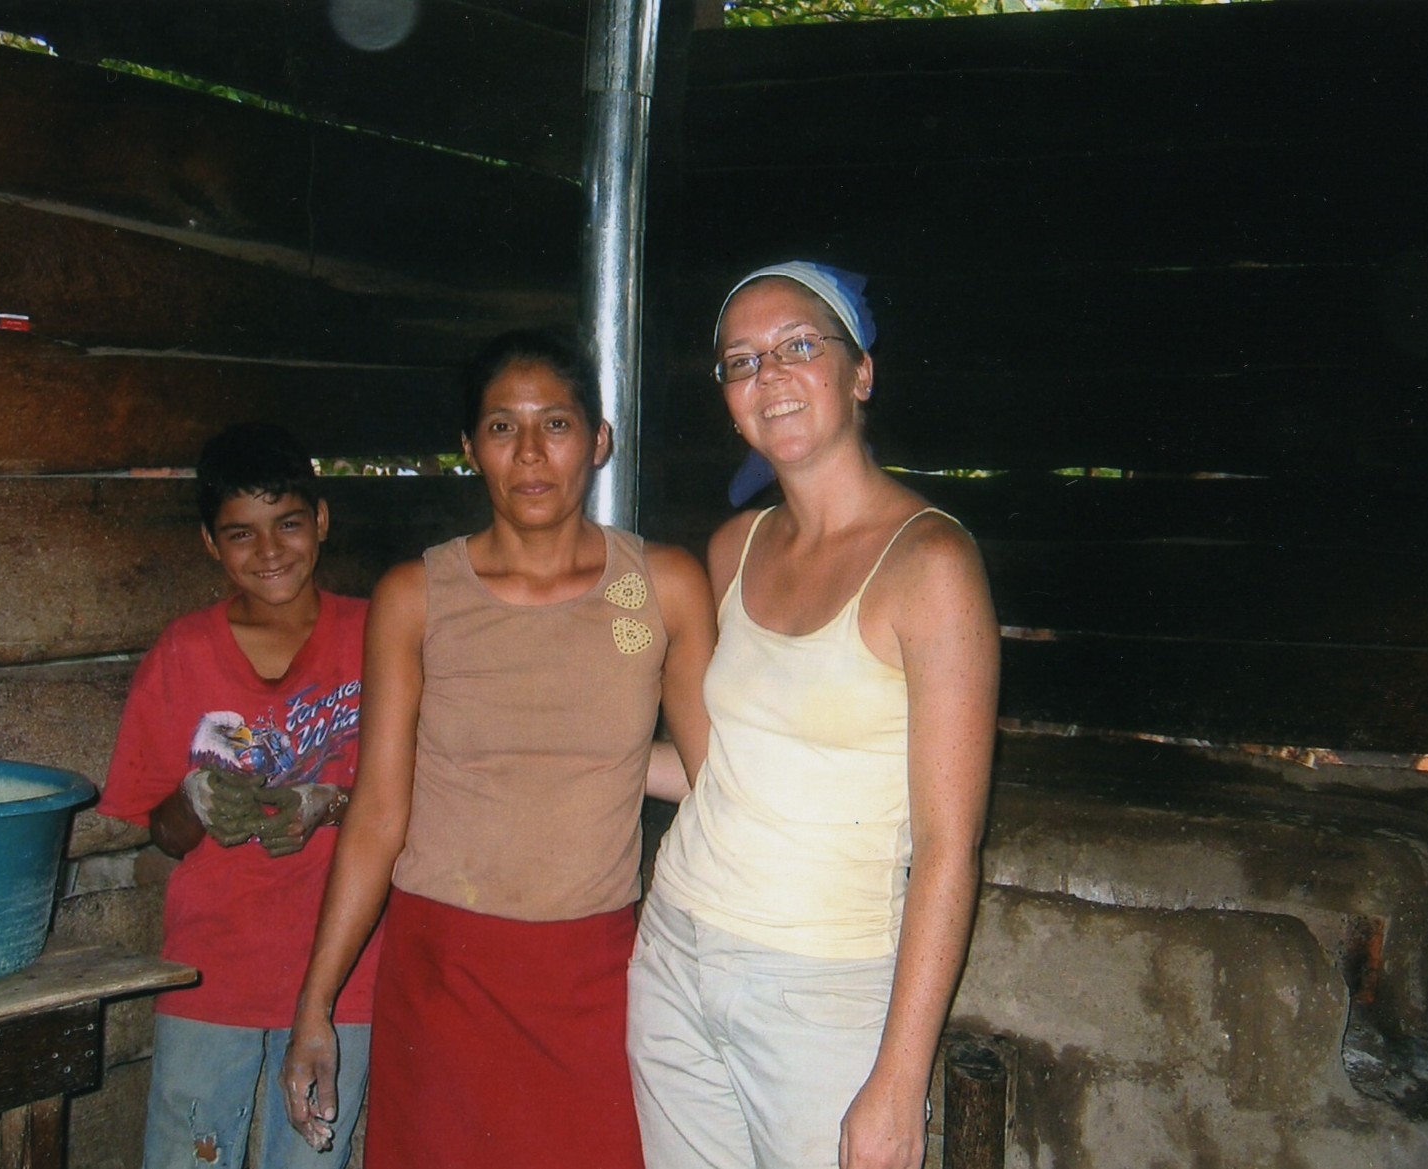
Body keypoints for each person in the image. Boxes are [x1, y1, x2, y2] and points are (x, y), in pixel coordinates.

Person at [280, 329, 715, 1169]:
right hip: (446, 972)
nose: (530, 454)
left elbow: (713, 781)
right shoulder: (420, 596)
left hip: (593, 970)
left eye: (554, 424)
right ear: (469, 449)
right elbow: (376, 812)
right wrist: (316, 1002)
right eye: (502, 427)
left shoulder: (652, 587)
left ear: (599, 440)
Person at [628, 262, 1000, 1169]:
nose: (769, 376)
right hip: (674, 946)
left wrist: (898, 1076)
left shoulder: (931, 563)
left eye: (798, 346)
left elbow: (950, 847)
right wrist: (572, 747)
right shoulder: (732, 546)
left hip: (823, 988)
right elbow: (722, 770)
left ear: (859, 372)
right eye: (741, 361)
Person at [98, 422, 379, 1169]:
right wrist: (193, 798)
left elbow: (413, 795)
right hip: (211, 970)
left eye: (287, 523)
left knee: (313, 1157)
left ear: (320, 520)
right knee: (190, 1154)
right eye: (241, 534)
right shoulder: (183, 652)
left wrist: (330, 800)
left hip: (345, 969)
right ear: (209, 543)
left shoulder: (378, 634)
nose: (270, 551)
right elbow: (158, 828)